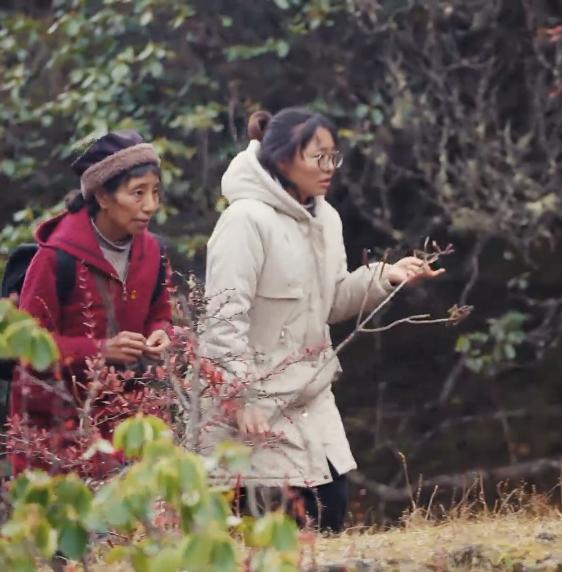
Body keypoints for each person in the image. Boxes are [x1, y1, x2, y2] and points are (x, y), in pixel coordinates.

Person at [201, 108, 441, 532]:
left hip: (311, 402)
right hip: (253, 413)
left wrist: (386, 276)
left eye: (334, 157)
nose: (330, 168)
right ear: (282, 158)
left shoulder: (326, 219)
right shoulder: (244, 221)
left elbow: (330, 301)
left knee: (330, 513)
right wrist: (241, 398)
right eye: (319, 157)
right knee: (273, 536)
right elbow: (223, 319)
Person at [9, 130, 172, 475]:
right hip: (55, 438)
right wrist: (101, 350)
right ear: (102, 196)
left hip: (126, 430)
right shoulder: (56, 258)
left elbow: (160, 314)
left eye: (155, 192)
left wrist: (161, 333)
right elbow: (26, 349)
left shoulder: (154, 251)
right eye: (138, 193)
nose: (150, 205)